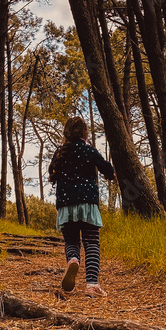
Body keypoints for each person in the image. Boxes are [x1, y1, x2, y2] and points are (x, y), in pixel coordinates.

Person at [48, 116, 116, 297]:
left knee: (71, 241)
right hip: (87, 204)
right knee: (92, 242)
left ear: (66, 133)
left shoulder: (60, 153)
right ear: (85, 133)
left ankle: (72, 260)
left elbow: (51, 173)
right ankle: (92, 285)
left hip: (66, 205)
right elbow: (108, 170)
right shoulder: (90, 151)